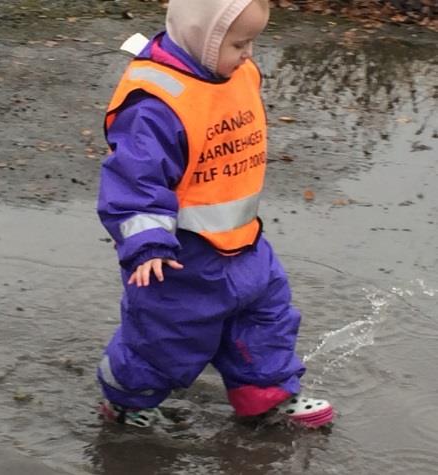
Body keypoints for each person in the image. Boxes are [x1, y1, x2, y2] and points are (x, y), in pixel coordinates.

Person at [96, 0, 334, 429]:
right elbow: (135, 181)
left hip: (243, 242)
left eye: (252, 42)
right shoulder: (155, 103)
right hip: (178, 255)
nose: (248, 54)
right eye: (239, 43)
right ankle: (129, 400)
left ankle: (266, 397)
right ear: (199, 37)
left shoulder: (235, 75)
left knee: (267, 316)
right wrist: (147, 244)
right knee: (166, 333)